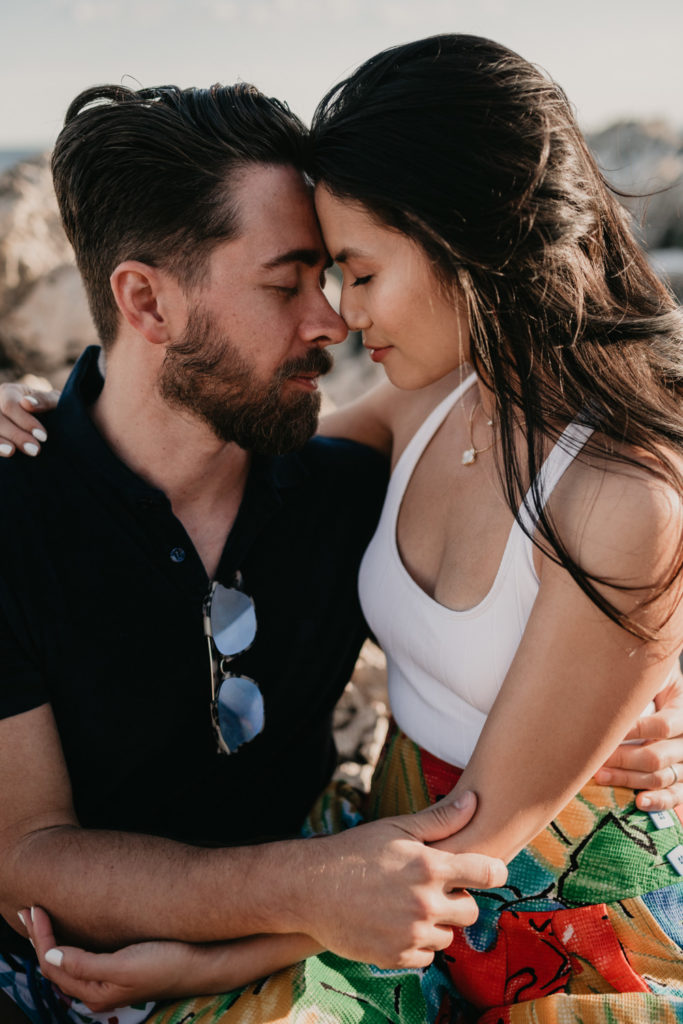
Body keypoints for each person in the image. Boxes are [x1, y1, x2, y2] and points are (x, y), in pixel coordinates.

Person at [14, 34, 683, 1024]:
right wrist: (44, 411)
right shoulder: (416, 409)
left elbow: (486, 831)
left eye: (350, 274)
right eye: (302, 281)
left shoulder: (569, 492)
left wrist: (205, 961)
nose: (335, 318)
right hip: (366, 856)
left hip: (521, 899)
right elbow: (194, 446)